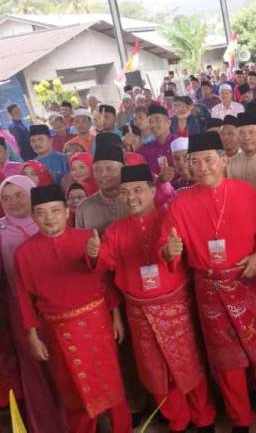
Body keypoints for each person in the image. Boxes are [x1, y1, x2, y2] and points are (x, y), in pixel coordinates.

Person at [160, 132, 256, 433]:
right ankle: (240, 417)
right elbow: (167, 244)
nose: (202, 167)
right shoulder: (180, 203)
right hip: (209, 288)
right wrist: (169, 251)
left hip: (248, 280)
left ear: (223, 160)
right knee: (227, 360)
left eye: (209, 159)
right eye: (194, 162)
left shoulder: (245, 192)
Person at [87, 164, 217, 433]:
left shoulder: (170, 218)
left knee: (188, 364)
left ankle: (203, 417)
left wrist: (171, 252)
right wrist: (94, 254)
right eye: (125, 192)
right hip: (139, 311)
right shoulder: (115, 230)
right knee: (155, 371)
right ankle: (177, 420)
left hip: (175, 306)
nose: (131, 197)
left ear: (152, 190)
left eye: (137, 190)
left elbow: (170, 252)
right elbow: (105, 265)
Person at [14, 184, 131, 433]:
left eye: (55, 211)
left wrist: (116, 316)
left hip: (97, 323)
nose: (49, 218)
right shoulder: (24, 253)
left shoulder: (87, 237)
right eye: (42, 212)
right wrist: (32, 336)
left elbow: (105, 279)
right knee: (73, 393)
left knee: (112, 387)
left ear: (67, 212)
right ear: (34, 216)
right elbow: (24, 297)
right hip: (58, 332)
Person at [0, 176, 68, 433]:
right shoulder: (1, 231)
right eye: (6, 198)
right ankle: (47, 426)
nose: (13, 202)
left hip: (60, 308)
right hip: (21, 312)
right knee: (36, 369)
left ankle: (76, 421)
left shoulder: (52, 221)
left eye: (19, 195)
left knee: (64, 363)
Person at [76, 143, 128, 233]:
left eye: (109, 168)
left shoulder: (133, 202)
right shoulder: (84, 208)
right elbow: (80, 244)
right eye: (97, 169)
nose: (103, 174)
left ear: (123, 169)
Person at [138, 104, 176, 175]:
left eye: (157, 120)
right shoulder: (145, 150)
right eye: (150, 122)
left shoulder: (179, 143)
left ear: (168, 122)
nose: (153, 125)